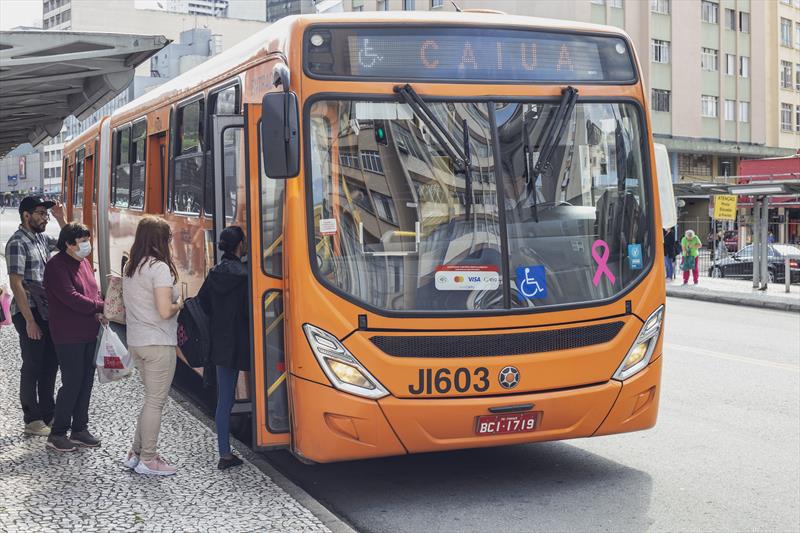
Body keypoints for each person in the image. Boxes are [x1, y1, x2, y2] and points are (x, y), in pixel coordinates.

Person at [122, 217, 183, 476]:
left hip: (137, 341)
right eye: (169, 238)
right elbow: (164, 310)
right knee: (155, 403)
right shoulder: (159, 268)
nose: (170, 243)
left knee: (150, 401)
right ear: (161, 240)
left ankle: (136, 453)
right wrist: (180, 303)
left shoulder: (132, 266)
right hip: (158, 342)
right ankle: (148, 459)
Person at [4, 196, 66, 436]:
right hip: (28, 312)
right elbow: (16, 284)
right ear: (26, 215)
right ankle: (32, 418)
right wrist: (29, 321)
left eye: (46, 214)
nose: (45, 218)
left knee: (51, 362)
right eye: (40, 213)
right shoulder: (17, 243)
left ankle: (48, 413)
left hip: (45, 310)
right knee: (33, 364)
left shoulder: (41, 238)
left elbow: (69, 242)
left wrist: (61, 218)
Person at [43, 223, 105, 452]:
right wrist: (100, 306)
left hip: (89, 330)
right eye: (82, 241)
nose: (87, 245)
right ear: (68, 244)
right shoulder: (56, 266)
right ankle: (57, 432)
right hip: (68, 334)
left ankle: (79, 428)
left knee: (86, 381)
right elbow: (72, 297)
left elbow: (93, 290)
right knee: (72, 382)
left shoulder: (85, 263)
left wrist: (99, 309)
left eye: (87, 239)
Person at [197, 226, 249, 470]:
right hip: (244, 343)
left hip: (221, 344)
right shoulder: (246, 275)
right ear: (240, 245)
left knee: (224, 400)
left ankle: (224, 453)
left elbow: (203, 304)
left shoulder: (214, 273)